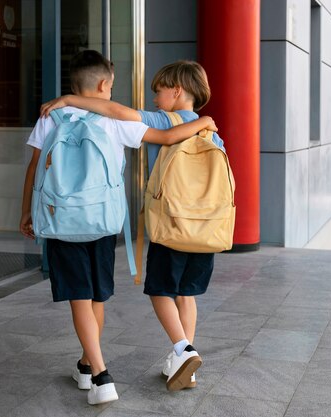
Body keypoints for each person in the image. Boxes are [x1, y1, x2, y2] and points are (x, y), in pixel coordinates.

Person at [20, 51, 216, 405]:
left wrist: (27, 212)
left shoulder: (51, 115)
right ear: (104, 85)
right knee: (96, 295)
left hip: (61, 218)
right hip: (103, 220)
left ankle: (98, 373)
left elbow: (34, 167)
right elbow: (167, 137)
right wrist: (205, 122)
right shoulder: (116, 122)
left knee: (79, 295)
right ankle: (91, 368)